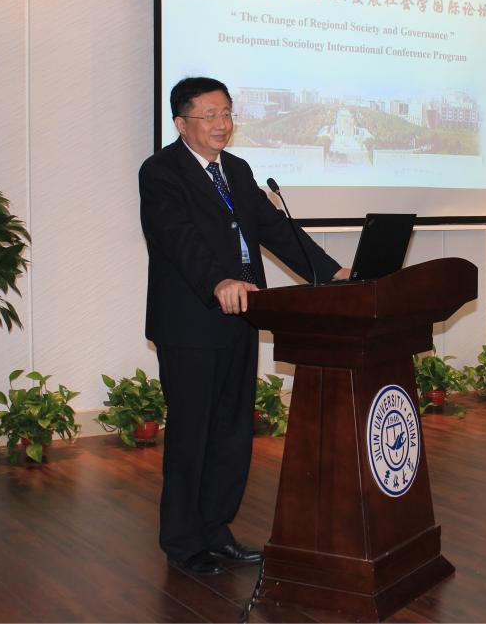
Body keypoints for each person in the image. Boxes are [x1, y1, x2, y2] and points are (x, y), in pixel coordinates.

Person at [140, 76, 349, 576]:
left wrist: (332, 273)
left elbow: (277, 229)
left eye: (227, 113)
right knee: (192, 433)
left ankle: (216, 530)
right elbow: (177, 238)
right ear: (181, 123)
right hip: (190, 324)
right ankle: (183, 542)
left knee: (232, 433)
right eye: (210, 115)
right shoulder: (161, 171)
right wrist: (218, 280)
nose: (222, 124)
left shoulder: (236, 169)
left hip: (244, 315)